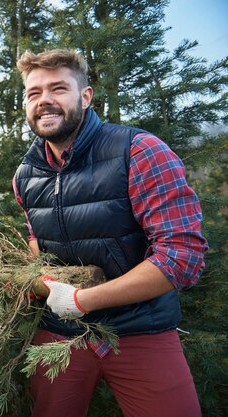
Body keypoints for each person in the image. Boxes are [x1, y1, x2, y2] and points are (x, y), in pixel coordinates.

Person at [13, 49, 207, 417]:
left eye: (58, 89)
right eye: (34, 92)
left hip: (140, 328)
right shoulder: (26, 174)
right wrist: (28, 276)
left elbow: (182, 256)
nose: (45, 101)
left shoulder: (140, 151)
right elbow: (38, 243)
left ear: (85, 97)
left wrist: (85, 301)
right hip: (60, 336)